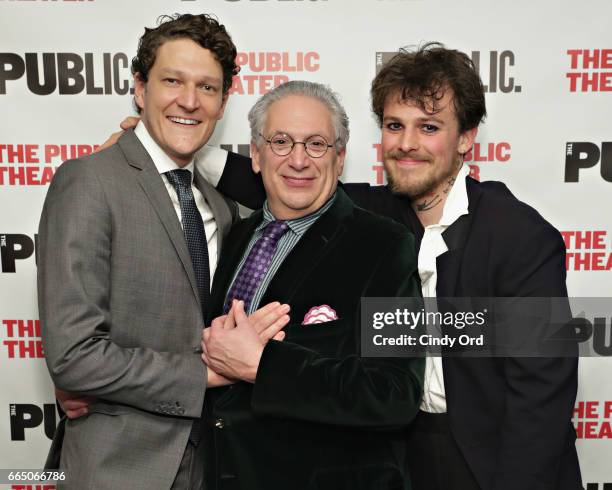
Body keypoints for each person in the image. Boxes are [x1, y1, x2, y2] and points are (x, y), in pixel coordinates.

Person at [196, 44, 582, 490]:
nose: (407, 144)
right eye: (395, 126)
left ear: (466, 137)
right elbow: (286, 175)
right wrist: (160, 149)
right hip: (406, 455)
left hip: (495, 460)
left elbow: (541, 400)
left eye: (429, 127)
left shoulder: (520, 237)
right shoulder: (379, 212)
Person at [38, 13, 287, 489]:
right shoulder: (89, 181)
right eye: (172, 80)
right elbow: (73, 357)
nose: (189, 101)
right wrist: (203, 375)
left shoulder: (222, 207)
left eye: (207, 88)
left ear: (223, 101)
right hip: (116, 470)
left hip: (212, 466)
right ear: (139, 87)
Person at [199, 80, 424, 489]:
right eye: (281, 141)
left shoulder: (384, 246)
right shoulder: (232, 237)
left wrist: (263, 367)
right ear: (256, 155)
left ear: (339, 159)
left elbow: (395, 393)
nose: (298, 160)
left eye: (316, 144)